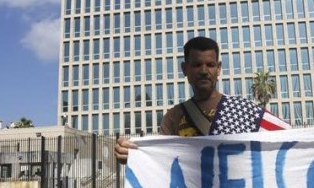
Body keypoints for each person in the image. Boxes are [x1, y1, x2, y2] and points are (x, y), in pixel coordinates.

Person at [114, 36, 289, 164]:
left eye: (211, 65)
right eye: (197, 65)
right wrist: (132, 156)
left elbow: (286, 141)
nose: (204, 71)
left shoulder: (245, 110)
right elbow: (163, 162)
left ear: (219, 68)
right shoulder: (173, 116)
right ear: (185, 68)